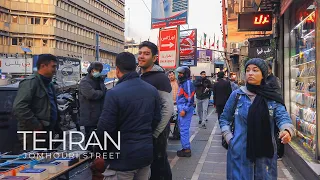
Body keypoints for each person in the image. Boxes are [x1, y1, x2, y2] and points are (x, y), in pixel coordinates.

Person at [219, 58, 295, 179]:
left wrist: (286, 130)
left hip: (265, 155)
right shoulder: (238, 95)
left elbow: (282, 117)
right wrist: (230, 139)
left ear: (263, 75)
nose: (250, 73)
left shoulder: (271, 97)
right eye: (248, 70)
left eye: (255, 70)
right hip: (239, 152)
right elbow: (224, 118)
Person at [97, 52, 161, 179]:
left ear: (117, 70)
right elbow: (156, 119)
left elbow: (105, 129)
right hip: (145, 155)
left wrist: (101, 153)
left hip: (122, 160)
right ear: (135, 67)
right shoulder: (151, 90)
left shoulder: (114, 93)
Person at [138, 41, 173, 180]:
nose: (141, 56)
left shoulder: (160, 78)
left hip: (156, 131)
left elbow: (168, 107)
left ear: (154, 58)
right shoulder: (137, 75)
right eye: (140, 53)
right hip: (142, 130)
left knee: (159, 165)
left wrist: (157, 132)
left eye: (146, 54)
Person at [13, 54, 60, 150]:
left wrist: (57, 126)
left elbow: (51, 106)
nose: (55, 70)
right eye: (53, 67)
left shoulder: (49, 85)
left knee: (47, 161)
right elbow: (20, 107)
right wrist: (36, 125)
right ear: (43, 66)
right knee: (35, 161)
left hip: (47, 131)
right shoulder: (31, 82)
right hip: (33, 134)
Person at [79, 62, 106, 150]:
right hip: (89, 115)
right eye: (95, 70)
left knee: (100, 139)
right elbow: (91, 94)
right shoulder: (84, 81)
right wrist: (101, 93)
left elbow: (105, 91)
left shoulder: (99, 80)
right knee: (90, 137)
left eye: (99, 70)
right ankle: (88, 155)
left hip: (99, 115)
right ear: (91, 70)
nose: (97, 72)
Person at [176, 66, 195, 157]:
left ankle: (186, 149)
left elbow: (190, 98)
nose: (179, 75)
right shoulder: (183, 83)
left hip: (185, 109)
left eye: (181, 73)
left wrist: (184, 109)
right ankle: (185, 147)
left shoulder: (187, 83)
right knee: (182, 129)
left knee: (184, 129)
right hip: (182, 108)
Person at [266, 62, 284, 160]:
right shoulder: (267, 79)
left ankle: (279, 153)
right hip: (269, 108)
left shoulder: (273, 80)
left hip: (274, 107)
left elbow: (277, 94)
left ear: (270, 69)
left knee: (276, 131)